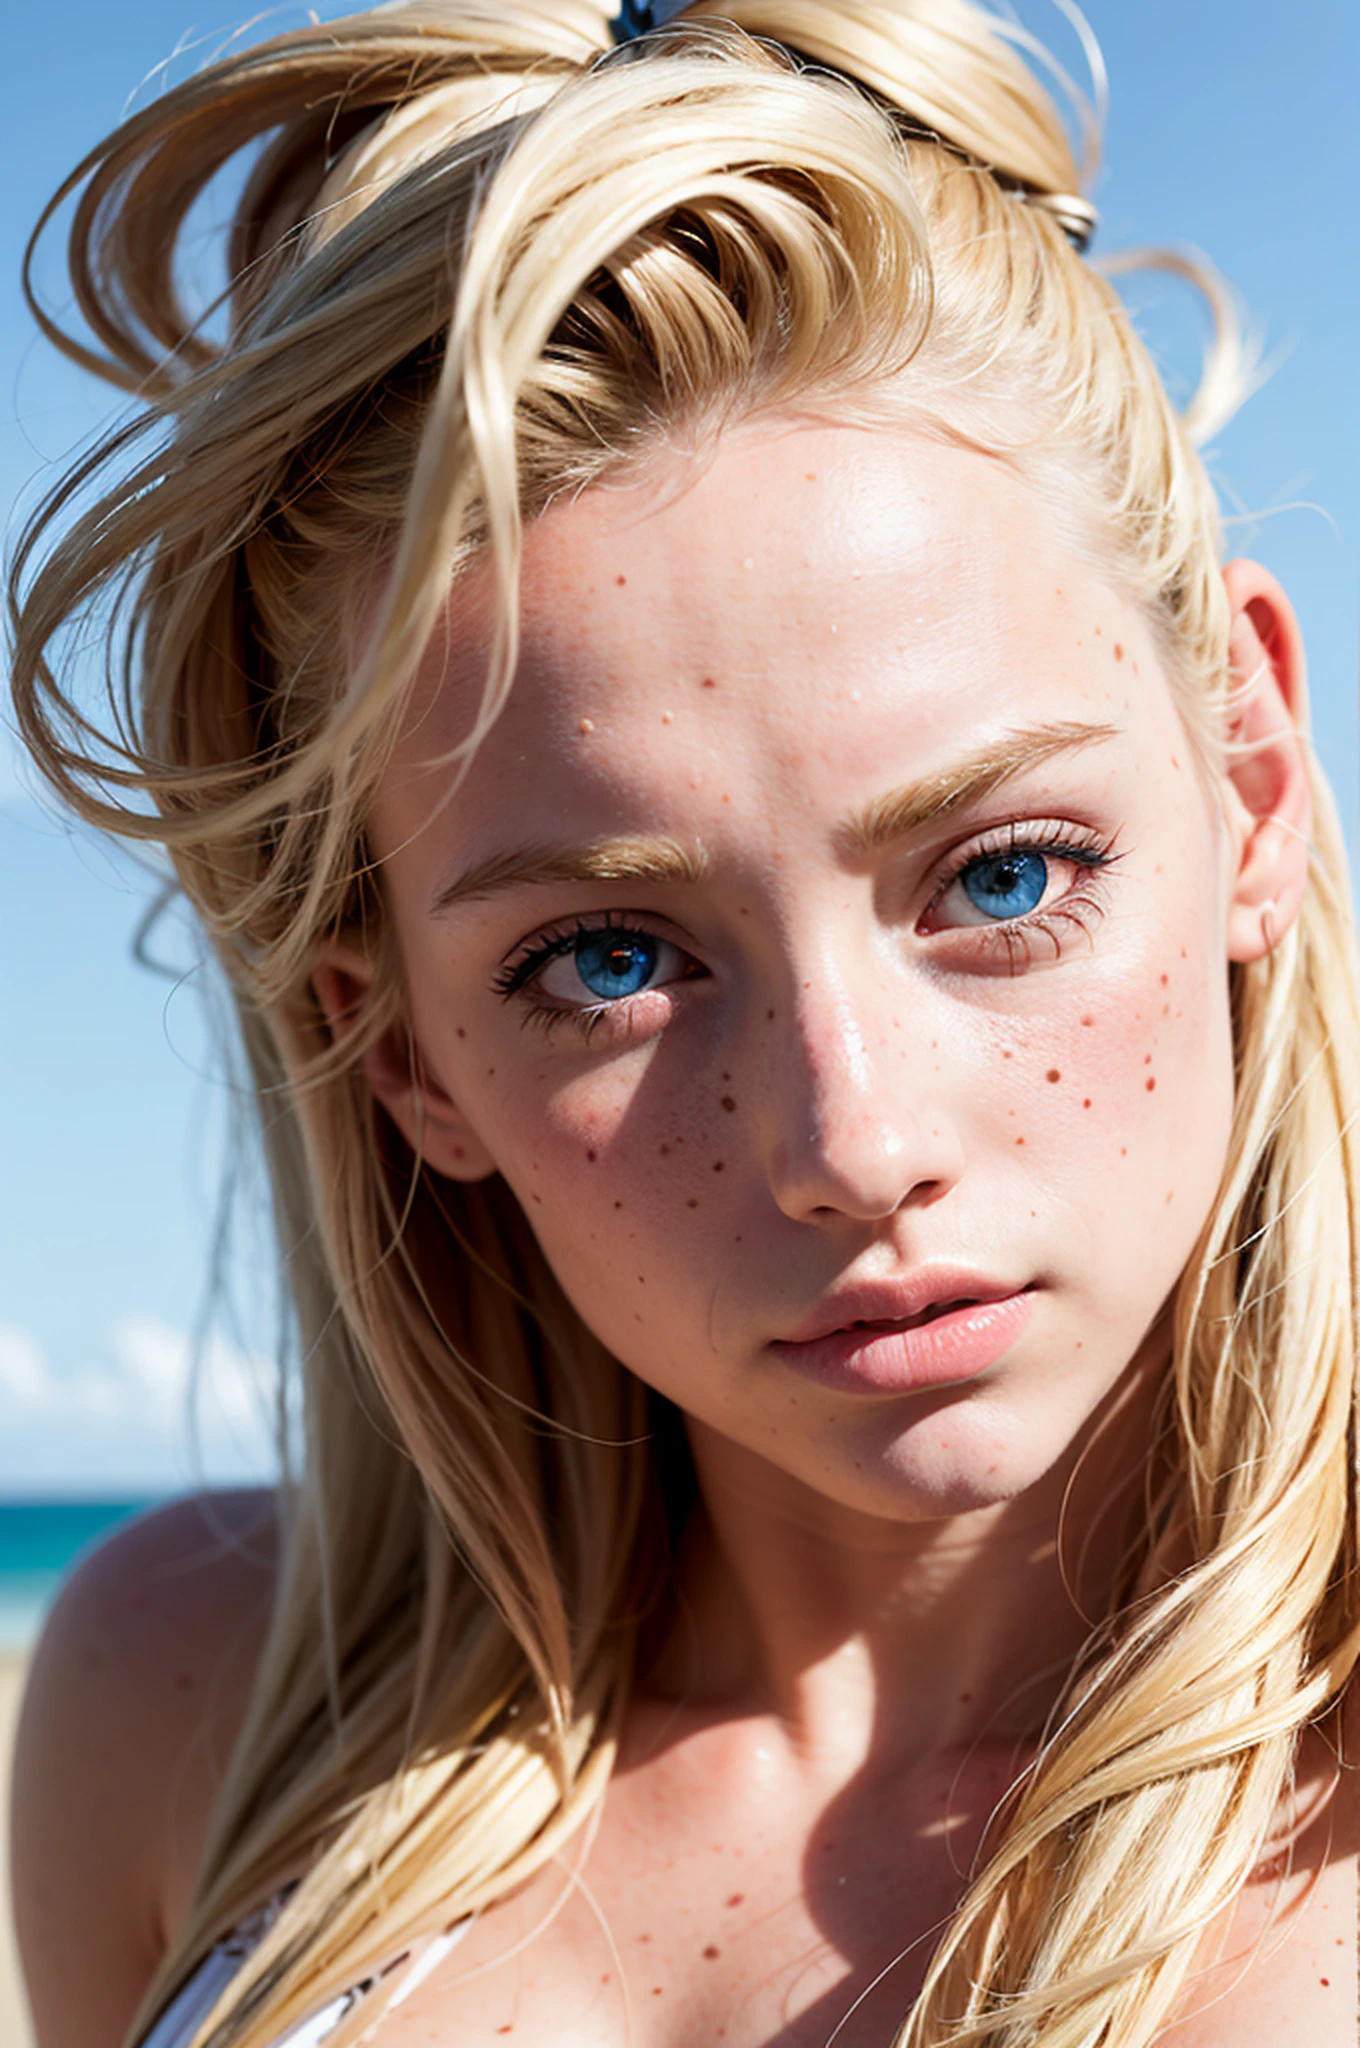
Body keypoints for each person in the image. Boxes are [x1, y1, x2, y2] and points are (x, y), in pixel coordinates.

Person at [7, 1, 1359, 2044]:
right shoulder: (194, 1701)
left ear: (1248, 781)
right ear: (398, 1048)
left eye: (1001, 877)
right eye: (607, 963)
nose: (846, 1137)